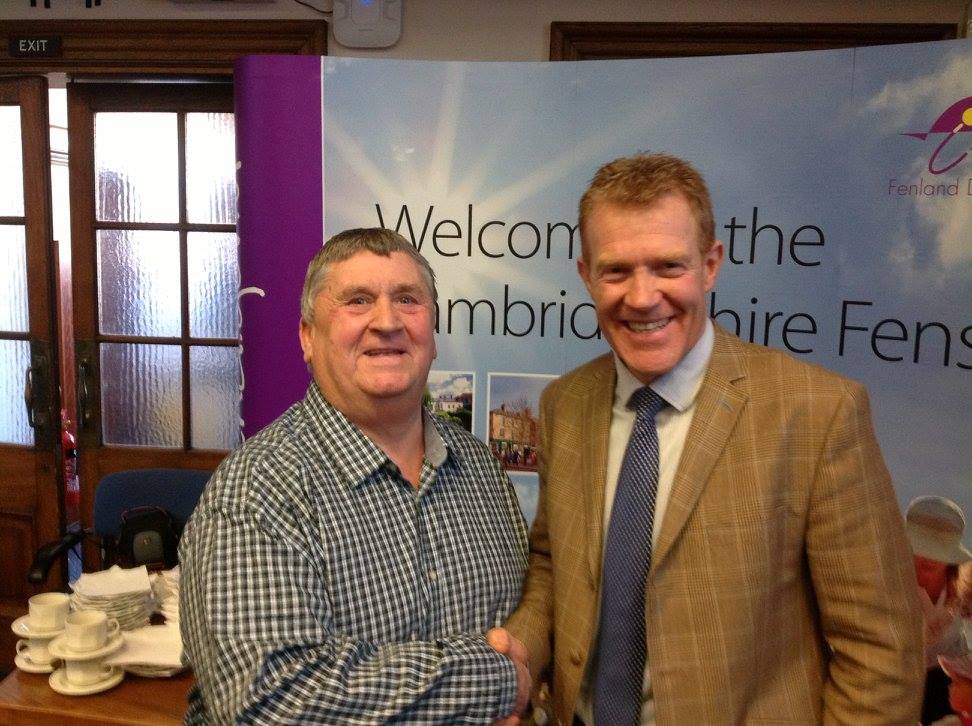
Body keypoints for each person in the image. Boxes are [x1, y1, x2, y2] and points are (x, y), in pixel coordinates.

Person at [501, 153, 925, 724]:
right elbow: (556, 564)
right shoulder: (565, 404)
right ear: (585, 275)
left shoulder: (819, 413)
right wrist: (519, 655)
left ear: (711, 264)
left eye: (668, 266)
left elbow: (882, 650)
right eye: (616, 270)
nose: (643, 296)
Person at [179, 228, 531, 723]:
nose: (387, 322)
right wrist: (494, 680)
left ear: (432, 334)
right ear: (308, 337)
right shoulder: (254, 492)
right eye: (357, 301)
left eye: (407, 300)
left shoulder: (481, 470)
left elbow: (514, 624)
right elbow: (269, 703)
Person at [905, 496, 972, 724]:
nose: (923, 557)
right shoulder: (884, 580)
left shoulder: (965, 582)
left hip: (948, 679)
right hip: (895, 675)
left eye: (934, 555)